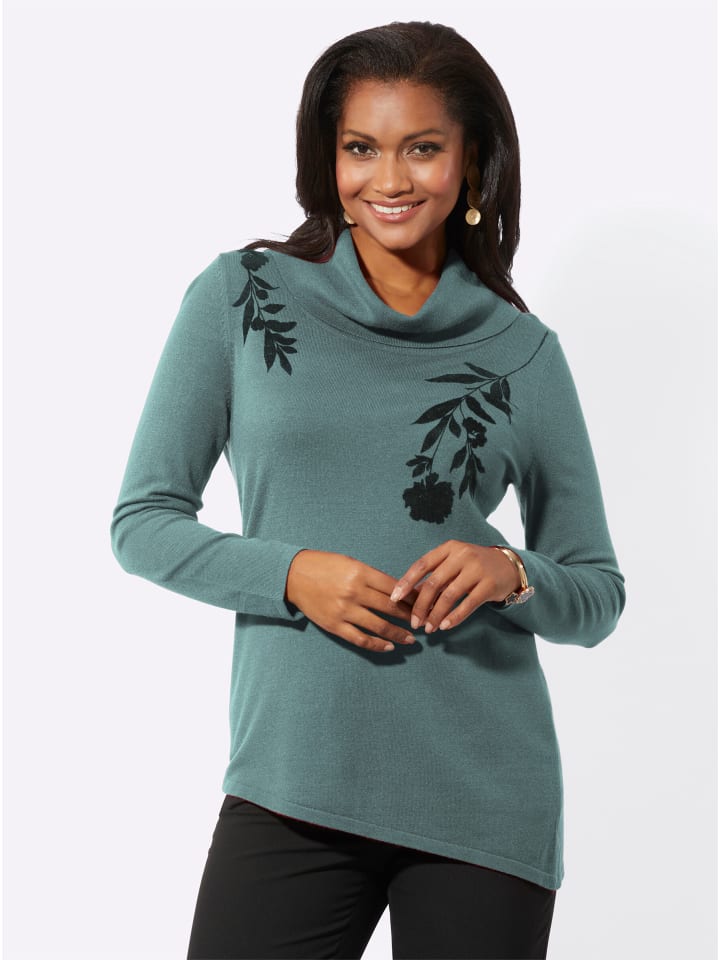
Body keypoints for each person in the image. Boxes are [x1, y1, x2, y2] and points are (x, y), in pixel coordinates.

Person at [110, 20, 626, 960]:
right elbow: (143, 522)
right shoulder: (242, 298)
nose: (389, 179)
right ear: (329, 157)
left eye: (422, 148)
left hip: (484, 798)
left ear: (472, 162)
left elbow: (596, 593)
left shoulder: (523, 354)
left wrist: (512, 573)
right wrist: (290, 574)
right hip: (292, 783)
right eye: (361, 148)